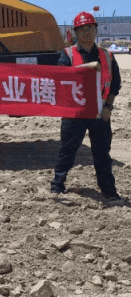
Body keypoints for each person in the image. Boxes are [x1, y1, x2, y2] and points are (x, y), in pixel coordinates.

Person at [50, 11, 123, 202]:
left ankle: (108, 190)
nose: (87, 32)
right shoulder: (67, 55)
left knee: (102, 154)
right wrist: (87, 67)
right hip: (75, 113)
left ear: (96, 30)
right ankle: (57, 185)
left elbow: (115, 84)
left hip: (100, 112)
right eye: (82, 29)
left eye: (90, 28)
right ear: (76, 32)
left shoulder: (107, 56)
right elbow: (60, 77)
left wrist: (109, 107)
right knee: (67, 151)